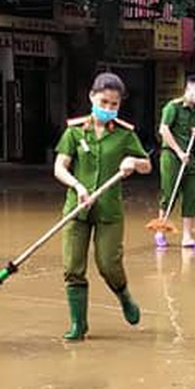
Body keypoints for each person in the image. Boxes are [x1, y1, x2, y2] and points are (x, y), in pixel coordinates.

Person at [54, 72, 152, 341]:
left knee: (108, 264)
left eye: (114, 105)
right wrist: (77, 186)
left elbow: (147, 165)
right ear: (92, 97)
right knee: (73, 266)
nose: (108, 108)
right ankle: (78, 326)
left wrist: (133, 163)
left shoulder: (124, 135)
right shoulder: (74, 132)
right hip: (77, 208)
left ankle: (124, 296)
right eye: (104, 102)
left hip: (109, 210)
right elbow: (59, 167)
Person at [155, 74, 195, 249]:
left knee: (191, 196)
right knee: (169, 193)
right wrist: (178, 152)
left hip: (190, 158)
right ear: (188, 89)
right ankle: (160, 231)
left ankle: (187, 237)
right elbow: (163, 130)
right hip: (171, 156)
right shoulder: (173, 107)